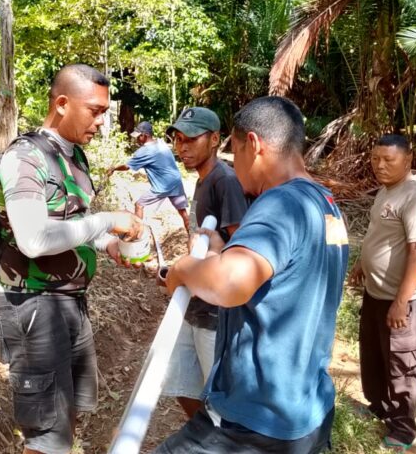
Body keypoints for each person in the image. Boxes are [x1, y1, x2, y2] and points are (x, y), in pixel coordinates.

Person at [158, 96, 349, 454]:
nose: (235, 164)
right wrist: (218, 253)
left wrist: (183, 270)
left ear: (255, 145)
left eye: (237, 150)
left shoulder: (280, 203)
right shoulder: (327, 206)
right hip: (306, 411)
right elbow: (281, 278)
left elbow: (229, 284)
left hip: (253, 419)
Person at [0, 64, 143, 454]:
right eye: (95, 111)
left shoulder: (73, 156)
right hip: (33, 307)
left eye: (105, 111)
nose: (103, 122)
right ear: (61, 103)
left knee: (66, 417)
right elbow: (35, 239)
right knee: (46, 435)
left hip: (69, 303)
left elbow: (70, 224)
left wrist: (106, 242)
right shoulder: (25, 158)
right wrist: (106, 220)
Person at [349, 134, 416, 451]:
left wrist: (401, 304)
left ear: (408, 160)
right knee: (373, 356)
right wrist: (362, 262)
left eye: (388, 159)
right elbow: (379, 234)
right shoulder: (388, 191)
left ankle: (402, 429)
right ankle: (378, 407)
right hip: (376, 294)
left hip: (404, 301)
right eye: (375, 159)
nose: (380, 165)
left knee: (402, 364)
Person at [161, 107, 248, 419]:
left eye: (191, 139)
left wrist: (201, 271)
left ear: (215, 140)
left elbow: (242, 248)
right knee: (180, 384)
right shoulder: (204, 180)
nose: (182, 147)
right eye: (178, 139)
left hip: (217, 312)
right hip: (194, 305)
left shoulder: (225, 181)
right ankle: (206, 439)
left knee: (220, 402)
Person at [108, 121, 190, 233]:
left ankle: (137, 234)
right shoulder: (160, 143)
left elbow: (127, 167)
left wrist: (114, 168)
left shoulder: (144, 151)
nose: (137, 139)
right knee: (183, 212)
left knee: (139, 204)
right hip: (176, 181)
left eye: (139, 136)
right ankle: (194, 235)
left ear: (145, 135)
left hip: (163, 186)